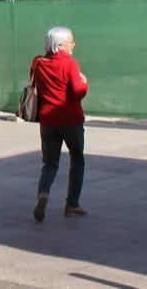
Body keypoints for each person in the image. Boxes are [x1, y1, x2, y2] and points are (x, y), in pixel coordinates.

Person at [31, 26, 89, 221]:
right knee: (77, 160)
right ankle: (72, 204)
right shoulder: (70, 64)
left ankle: (43, 193)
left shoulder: (38, 63)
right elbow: (77, 92)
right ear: (61, 44)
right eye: (71, 41)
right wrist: (84, 82)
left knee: (49, 163)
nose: (74, 44)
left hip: (47, 121)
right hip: (70, 120)